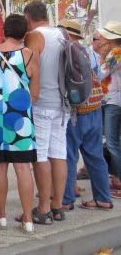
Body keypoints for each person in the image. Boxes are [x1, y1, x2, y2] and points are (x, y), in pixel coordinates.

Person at [0, 14, 39, 234]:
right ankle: (28, 221)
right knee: (23, 168)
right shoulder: (29, 55)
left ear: (4, 30)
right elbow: (36, 93)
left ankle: (1, 217)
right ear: (24, 34)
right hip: (19, 117)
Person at [20, 1, 69, 225]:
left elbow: (29, 68)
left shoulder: (35, 36)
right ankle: (58, 205)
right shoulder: (62, 34)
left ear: (28, 17)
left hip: (42, 104)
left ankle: (43, 207)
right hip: (63, 103)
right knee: (58, 154)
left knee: (40, 156)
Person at [58, 19, 113, 211]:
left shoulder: (65, 51)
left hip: (76, 111)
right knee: (95, 155)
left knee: (69, 156)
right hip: (95, 108)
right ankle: (103, 198)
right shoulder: (91, 53)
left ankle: (66, 199)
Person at [96, 21, 121, 200]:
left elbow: (101, 73)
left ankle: (119, 179)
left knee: (112, 142)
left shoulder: (116, 55)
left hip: (114, 102)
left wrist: (102, 57)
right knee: (112, 141)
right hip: (110, 100)